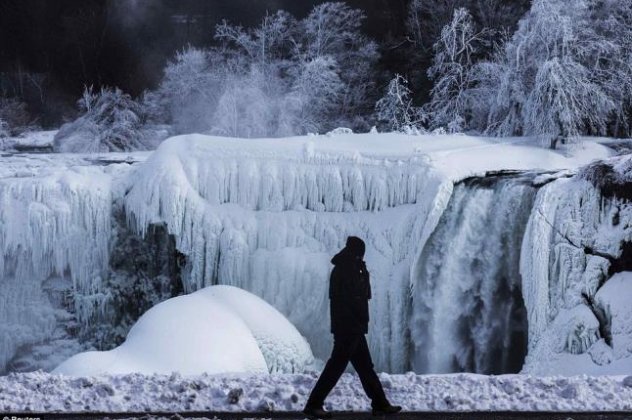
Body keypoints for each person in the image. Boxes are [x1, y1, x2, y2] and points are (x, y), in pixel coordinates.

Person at [303, 236, 402, 419]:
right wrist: (352, 323)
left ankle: (380, 404)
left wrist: (363, 273)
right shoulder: (343, 270)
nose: (361, 257)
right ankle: (313, 404)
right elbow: (346, 301)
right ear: (355, 252)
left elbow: (364, 295)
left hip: (354, 327)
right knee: (336, 367)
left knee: (365, 367)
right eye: (360, 253)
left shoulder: (353, 269)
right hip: (348, 328)